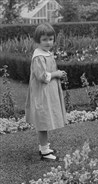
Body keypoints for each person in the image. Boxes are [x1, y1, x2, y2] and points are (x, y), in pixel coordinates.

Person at [25, 22, 67, 160]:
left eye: (50, 39)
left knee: (46, 119)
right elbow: (42, 76)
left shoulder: (47, 53)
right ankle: (44, 151)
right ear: (38, 40)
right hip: (41, 94)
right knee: (43, 121)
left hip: (47, 93)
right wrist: (56, 74)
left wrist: (58, 73)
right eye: (44, 39)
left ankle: (44, 146)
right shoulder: (38, 57)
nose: (48, 42)